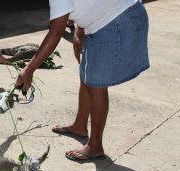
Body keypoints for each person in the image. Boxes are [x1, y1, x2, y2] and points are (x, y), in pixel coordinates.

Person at [16, 0, 149, 161]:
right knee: (86, 75)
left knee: (97, 85)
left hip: (117, 20)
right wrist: (79, 31)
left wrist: (29, 69)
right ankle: (80, 125)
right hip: (111, 19)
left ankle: (95, 146)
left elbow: (55, 32)